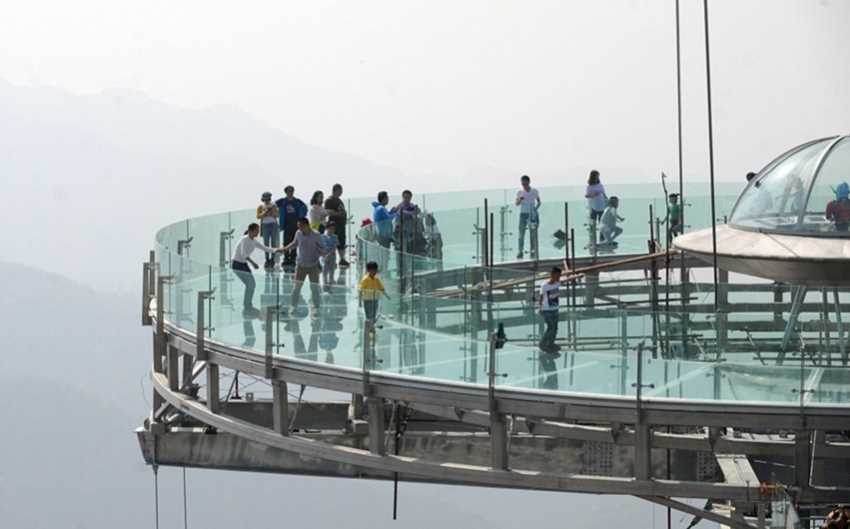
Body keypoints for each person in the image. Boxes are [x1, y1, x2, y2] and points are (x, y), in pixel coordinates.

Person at [231, 223, 282, 315]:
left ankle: (247, 306)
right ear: (251, 230)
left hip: (243, 264)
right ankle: (247, 306)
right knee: (250, 284)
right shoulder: (244, 239)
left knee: (251, 284)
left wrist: (276, 250)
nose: (258, 232)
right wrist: (253, 263)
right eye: (257, 230)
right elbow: (243, 254)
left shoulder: (254, 241)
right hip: (237, 264)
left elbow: (265, 248)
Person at [282, 218, 327, 315]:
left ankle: (316, 308)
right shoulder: (298, 233)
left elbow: (323, 249)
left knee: (314, 288)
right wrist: (285, 248)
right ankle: (293, 306)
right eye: (298, 226)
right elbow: (295, 243)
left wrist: (321, 253)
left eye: (301, 226)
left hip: (313, 265)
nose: (299, 228)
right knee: (297, 287)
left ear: (307, 225)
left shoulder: (316, 235)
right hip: (301, 265)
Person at [275, 186, 307, 267]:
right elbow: (272, 206)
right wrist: (276, 215)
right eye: (289, 191)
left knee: (295, 242)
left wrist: (301, 219)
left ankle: (293, 258)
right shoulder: (282, 201)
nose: (290, 192)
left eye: (292, 191)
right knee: (286, 242)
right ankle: (286, 258)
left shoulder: (297, 201)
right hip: (286, 225)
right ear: (286, 192)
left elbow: (305, 208)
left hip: (296, 225)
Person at [515, 174, 541, 259]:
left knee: (532, 234)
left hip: (532, 214)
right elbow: (517, 204)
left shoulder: (534, 191)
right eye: (522, 184)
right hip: (523, 214)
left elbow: (539, 201)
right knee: (521, 234)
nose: (524, 185)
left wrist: (535, 209)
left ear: (528, 182)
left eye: (525, 183)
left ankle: (532, 250)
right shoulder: (520, 192)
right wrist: (520, 199)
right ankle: (520, 251)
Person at [324, 183, 350, 267]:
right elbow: (328, 211)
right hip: (334, 225)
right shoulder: (329, 200)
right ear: (336, 190)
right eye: (340, 190)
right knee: (332, 242)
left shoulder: (339, 200)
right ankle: (331, 260)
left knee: (341, 242)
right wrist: (339, 214)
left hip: (341, 225)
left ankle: (342, 259)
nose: (341, 192)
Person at [538, 266, 562, 355]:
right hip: (546, 310)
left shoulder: (557, 283)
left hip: (555, 309)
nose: (558, 277)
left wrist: (577, 276)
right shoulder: (544, 285)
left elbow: (567, 280)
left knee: (555, 328)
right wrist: (540, 308)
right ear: (552, 274)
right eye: (557, 275)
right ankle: (543, 344)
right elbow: (540, 298)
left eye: (559, 276)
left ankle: (551, 344)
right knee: (550, 327)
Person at [256, 192, 280, 268]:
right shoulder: (260, 207)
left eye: (268, 197)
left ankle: (272, 259)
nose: (266, 199)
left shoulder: (274, 205)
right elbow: (258, 216)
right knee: (266, 243)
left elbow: (277, 215)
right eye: (265, 198)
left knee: (273, 243)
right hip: (265, 225)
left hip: (273, 225)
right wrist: (265, 212)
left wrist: (271, 212)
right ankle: (267, 259)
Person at [321, 221, 339, 286]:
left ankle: (331, 281)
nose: (332, 230)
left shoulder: (335, 237)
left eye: (333, 229)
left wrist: (329, 254)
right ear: (327, 228)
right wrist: (324, 255)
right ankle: (324, 284)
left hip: (332, 256)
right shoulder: (322, 236)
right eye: (330, 228)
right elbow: (321, 247)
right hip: (324, 256)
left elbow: (334, 247)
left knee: (332, 270)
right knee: (324, 271)